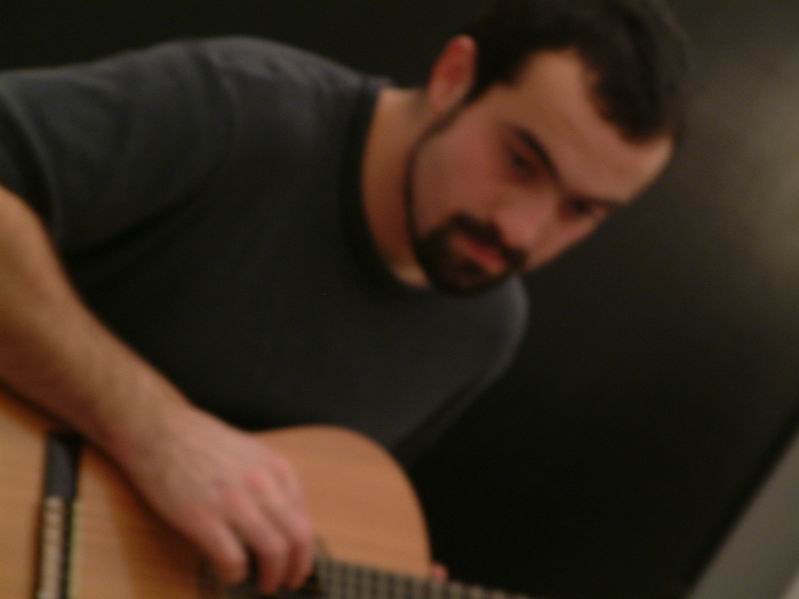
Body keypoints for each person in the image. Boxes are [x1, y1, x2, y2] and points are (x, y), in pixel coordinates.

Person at [0, 0, 689, 594]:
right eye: (519, 161)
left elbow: (242, 541)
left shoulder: (484, 328)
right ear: (454, 77)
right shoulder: (239, 106)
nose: (523, 230)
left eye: (580, 210)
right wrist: (154, 430)